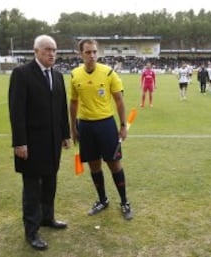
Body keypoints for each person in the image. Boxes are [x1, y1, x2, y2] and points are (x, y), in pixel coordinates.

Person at [8, 34, 70, 251]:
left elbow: (62, 108)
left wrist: (65, 134)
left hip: (53, 142)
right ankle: (31, 231)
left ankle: (47, 218)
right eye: (47, 50)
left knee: (50, 183)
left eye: (54, 50)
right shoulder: (22, 74)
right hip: (31, 144)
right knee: (32, 188)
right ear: (36, 52)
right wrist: (20, 143)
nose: (52, 53)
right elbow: (17, 112)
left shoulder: (59, 75)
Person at [69, 39, 133, 220]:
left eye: (95, 52)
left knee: (114, 163)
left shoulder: (108, 73)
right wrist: (73, 127)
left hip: (106, 124)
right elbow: (73, 102)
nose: (92, 56)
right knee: (94, 165)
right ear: (81, 54)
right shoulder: (75, 75)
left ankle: (124, 201)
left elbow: (119, 101)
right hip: (86, 126)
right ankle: (102, 200)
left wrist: (123, 126)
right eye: (88, 52)